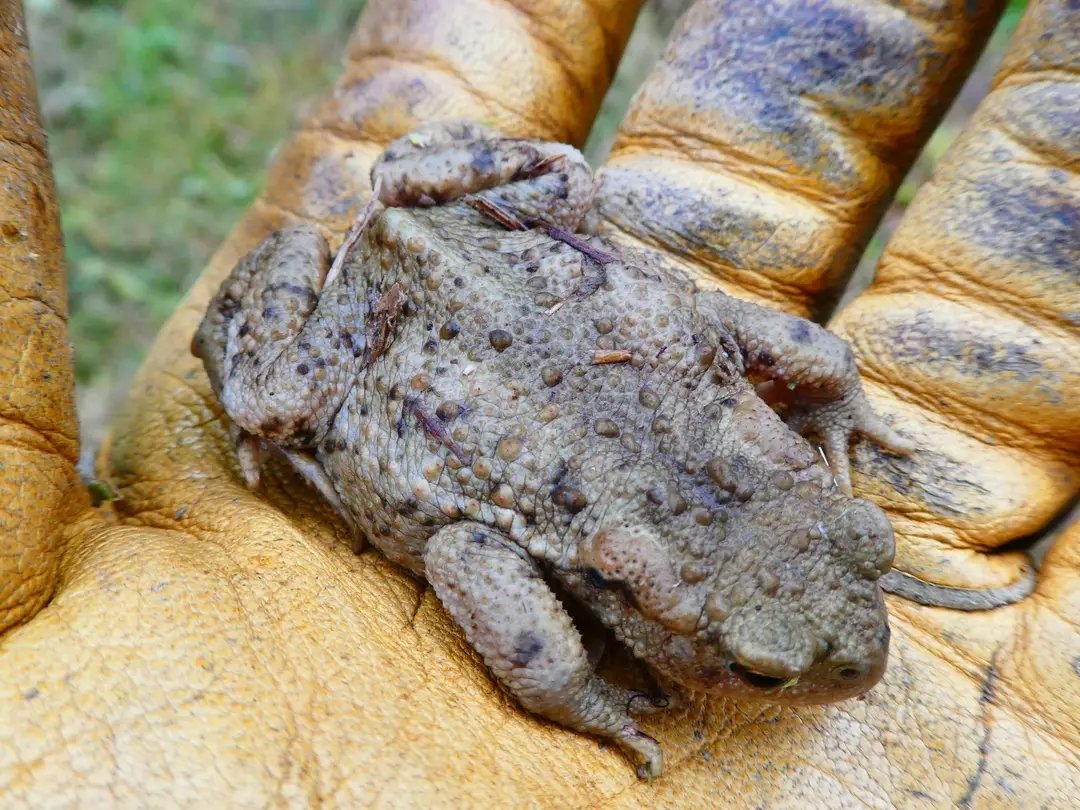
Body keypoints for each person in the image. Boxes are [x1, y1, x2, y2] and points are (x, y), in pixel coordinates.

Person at [1, 0, 1076, 805]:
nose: (855, 656)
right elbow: (472, 557)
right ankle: (293, 300)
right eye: (754, 665)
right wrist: (568, 688)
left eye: (859, 544)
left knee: (567, 182)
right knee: (272, 398)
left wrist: (832, 392)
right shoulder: (610, 554)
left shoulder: (699, 468)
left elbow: (786, 349)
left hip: (510, 260)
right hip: (389, 319)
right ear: (656, 606)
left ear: (814, 493)